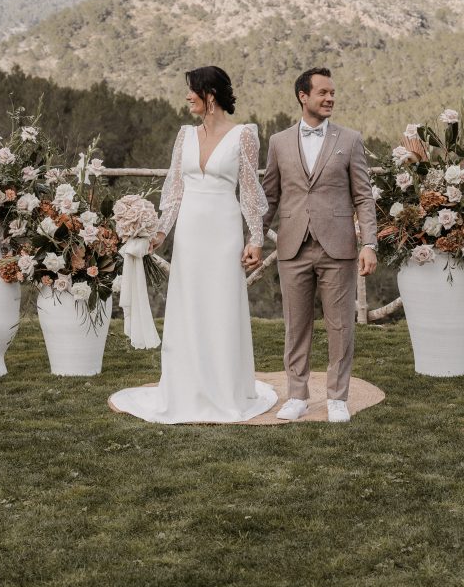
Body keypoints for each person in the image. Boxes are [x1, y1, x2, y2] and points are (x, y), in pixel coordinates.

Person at [109, 66, 277, 423]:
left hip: (224, 230)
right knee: (187, 304)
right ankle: (186, 386)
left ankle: (224, 388)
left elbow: (249, 192)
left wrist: (256, 239)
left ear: (210, 95)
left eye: (192, 91)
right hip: (189, 233)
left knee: (221, 305)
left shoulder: (243, 136)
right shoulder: (184, 135)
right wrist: (159, 233)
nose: (187, 97)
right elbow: (174, 190)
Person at [259, 67, 377, 423]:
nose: (330, 99)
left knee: (340, 324)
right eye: (323, 93)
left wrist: (369, 242)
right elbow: (270, 195)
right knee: (296, 325)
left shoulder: (350, 140)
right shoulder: (279, 142)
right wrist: (254, 238)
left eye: (332, 93)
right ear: (303, 96)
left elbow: (364, 196)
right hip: (292, 246)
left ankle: (337, 397)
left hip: (338, 246)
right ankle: (297, 395)